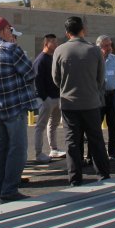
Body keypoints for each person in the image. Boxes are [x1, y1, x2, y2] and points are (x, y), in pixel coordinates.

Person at [0, 17, 38, 203]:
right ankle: (10, 190)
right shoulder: (11, 48)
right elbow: (30, 72)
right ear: (5, 30)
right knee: (18, 150)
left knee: (2, 151)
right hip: (15, 107)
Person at [52, 16, 110, 186]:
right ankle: (103, 174)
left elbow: (56, 78)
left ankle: (75, 178)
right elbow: (101, 79)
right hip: (91, 102)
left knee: (72, 142)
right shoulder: (94, 50)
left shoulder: (60, 51)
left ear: (67, 31)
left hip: (69, 103)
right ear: (82, 29)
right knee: (96, 140)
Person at [33, 34, 65, 163]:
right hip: (47, 99)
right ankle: (38, 153)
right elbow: (37, 80)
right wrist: (44, 98)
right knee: (40, 126)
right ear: (46, 43)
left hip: (57, 97)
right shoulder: (40, 60)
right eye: (54, 42)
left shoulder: (53, 58)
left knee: (54, 124)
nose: (56, 44)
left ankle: (54, 149)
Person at [96, 35, 115, 160]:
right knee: (95, 126)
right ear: (99, 47)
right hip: (98, 96)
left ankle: (113, 152)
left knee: (113, 125)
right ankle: (94, 154)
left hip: (112, 94)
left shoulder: (114, 59)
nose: (109, 48)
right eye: (106, 46)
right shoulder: (94, 59)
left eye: (110, 45)